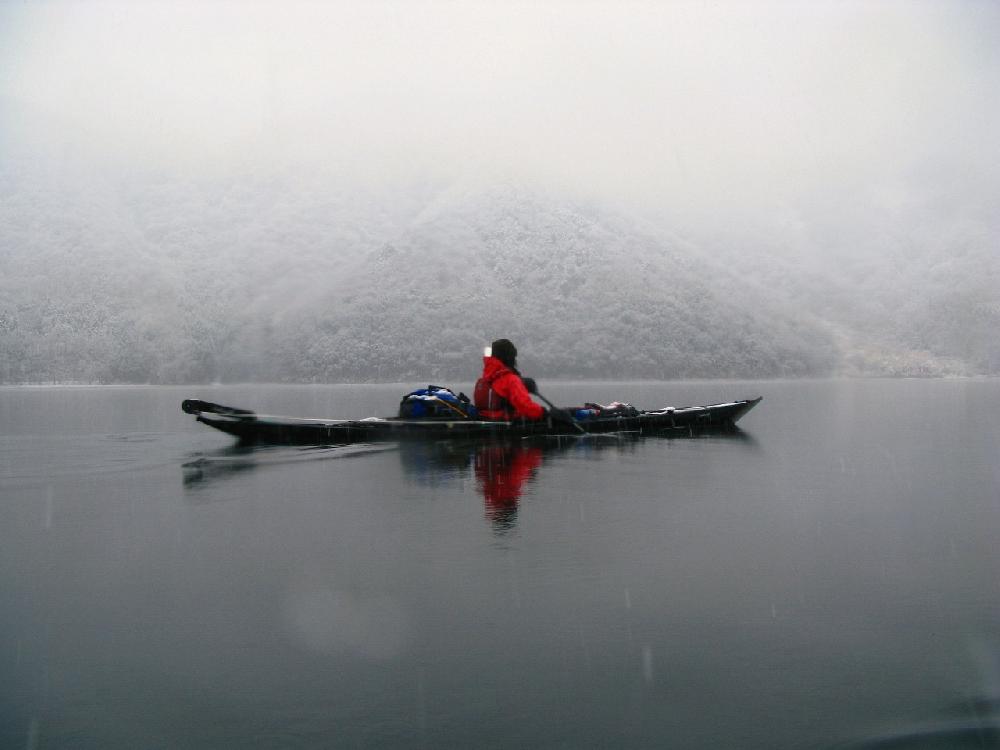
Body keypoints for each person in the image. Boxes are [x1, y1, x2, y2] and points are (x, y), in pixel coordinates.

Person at [474, 339, 546, 420]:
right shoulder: (510, 380)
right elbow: (526, 407)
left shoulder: (481, 382)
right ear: (510, 357)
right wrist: (545, 413)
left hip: (486, 422)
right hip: (507, 423)